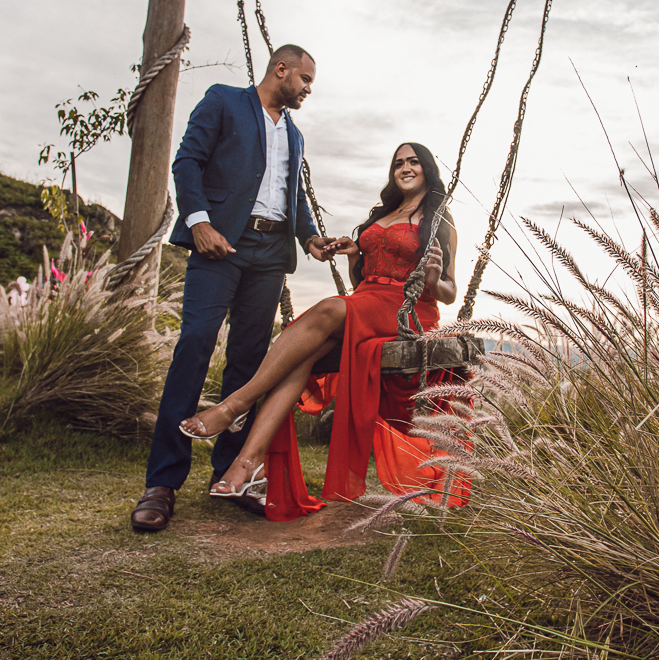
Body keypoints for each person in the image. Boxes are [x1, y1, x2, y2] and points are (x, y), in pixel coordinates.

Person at [179, 142, 472, 520]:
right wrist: (354, 256)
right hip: (367, 302)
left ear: (427, 169)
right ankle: (248, 463)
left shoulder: (439, 220)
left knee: (329, 308)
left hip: (406, 310)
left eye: (413, 161)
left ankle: (236, 404)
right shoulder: (385, 213)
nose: (405, 167)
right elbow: (362, 280)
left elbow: (448, 293)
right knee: (303, 356)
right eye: (398, 162)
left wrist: (433, 276)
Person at [130, 45, 336, 533]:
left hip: (270, 256)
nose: (308, 88)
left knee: (249, 363)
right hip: (219, 244)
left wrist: (311, 238)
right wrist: (198, 222)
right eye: (304, 79)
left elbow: (294, 195)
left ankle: (227, 474)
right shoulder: (223, 100)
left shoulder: (296, 134)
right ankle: (161, 483)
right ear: (280, 69)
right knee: (195, 345)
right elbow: (187, 162)